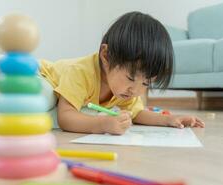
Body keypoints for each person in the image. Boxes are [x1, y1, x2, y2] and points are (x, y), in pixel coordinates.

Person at [39, 11, 205, 135]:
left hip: (63, 101)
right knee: (46, 101)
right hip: (41, 78)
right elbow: (65, 118)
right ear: (106, 56)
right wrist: (103, 125)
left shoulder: (122, 88)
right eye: (131, 78)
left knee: (88, 114)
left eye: (146, 83)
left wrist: (169, 120)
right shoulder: (81, 73)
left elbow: (137, 113)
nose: (136, 91)